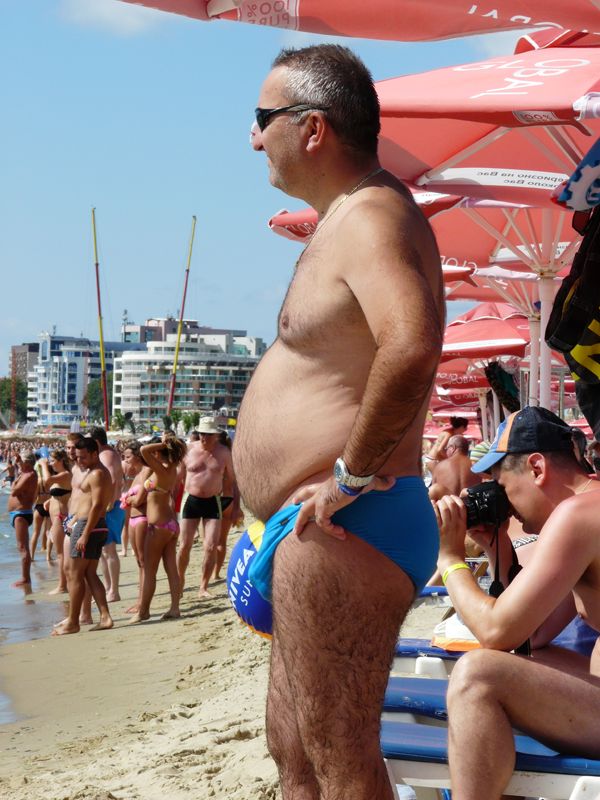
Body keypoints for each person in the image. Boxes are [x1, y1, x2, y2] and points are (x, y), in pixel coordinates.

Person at [236, 44, 443, 799]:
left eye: (262, 118)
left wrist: (350, 476)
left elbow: (411, 344)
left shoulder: (371, 216)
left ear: (313, 127)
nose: (253, 138)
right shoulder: (346, 218)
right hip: (322, 528)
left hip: (351, 523)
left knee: (340, 761)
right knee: (294, 752)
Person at [434, 406, 600, 800]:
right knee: (522, 662)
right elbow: (531, 636)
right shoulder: (587, 510)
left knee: (477, 676)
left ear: (537, 468)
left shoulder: (576, 516)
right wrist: (498, 547)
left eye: (502, 486)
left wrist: (450, 560)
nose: (504, 503)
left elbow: (496, 632)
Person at [52, 437, 114, 635]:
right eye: (77, 457)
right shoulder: (92, 471)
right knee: (89, 574)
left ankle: (73, 622)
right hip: (91, 526)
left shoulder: (97, 474)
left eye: (83, 457)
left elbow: (97, 505)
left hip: (88, 527)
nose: (79, 460)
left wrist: (84, 534)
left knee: (74, 574)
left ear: (95, 454)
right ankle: (105, 617)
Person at [177, 417, 238, 598]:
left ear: (216, 435)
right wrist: (171, 502)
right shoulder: (188, 449)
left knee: (211, 546)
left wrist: (236, 506)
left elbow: (233, 481)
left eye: (209, 434)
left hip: (213, 501)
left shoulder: (224, 453)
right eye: (202, 433)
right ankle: (179, 581)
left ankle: (203, 587)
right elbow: (177, 478)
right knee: (184, 545)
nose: (204, 437)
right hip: (191, 500)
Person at [129, 432, 186, 623]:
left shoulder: (161, 469)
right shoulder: (172, 468)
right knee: (171, 569)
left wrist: (162, 444)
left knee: (149, 570)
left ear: (159, 452)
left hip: (158, 525)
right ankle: (175, 608)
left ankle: (143, 611)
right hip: (171, 524)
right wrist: (165, 445)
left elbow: (144, 450)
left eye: (157, 451)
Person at [88, 426, 125, 602]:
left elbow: (111, 480)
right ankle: (108, 588)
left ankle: (114, 591)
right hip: (109, 505)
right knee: (103, 550)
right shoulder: (106, 453)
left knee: (109, 550)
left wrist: (106, 504)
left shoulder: (107, 455)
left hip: (110, 506)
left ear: (96, 441)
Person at [120, 440, 151, 614]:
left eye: (128, 456)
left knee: (143, 562)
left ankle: (142, 603)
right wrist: (129, 499)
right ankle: (139, 601)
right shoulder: (138, 473)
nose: (125, 459)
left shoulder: (147, 471)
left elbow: (139, 500)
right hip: (133, 518)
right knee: (139, 562)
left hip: (142, 518)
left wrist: (128, 499)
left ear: (138, 455)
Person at [39, 449, 72, 595]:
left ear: (61, 460)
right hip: (56, 516)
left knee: (60, 553)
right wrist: (50, 500)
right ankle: (65, 583)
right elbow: (62, 492)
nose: (50, 463)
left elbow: (47, 481)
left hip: (61, 517)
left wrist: (43, 465)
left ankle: (62, 585)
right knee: (60, 552)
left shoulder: (65, 474)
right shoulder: (60, 476)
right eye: (50, 461)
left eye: (52, 461)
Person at [213, 429, 243, 580]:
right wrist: (237, 507)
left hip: (214, 500)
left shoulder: (214, 458)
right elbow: (236, 486)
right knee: (221, 540)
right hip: (229, 500)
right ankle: (216, 573)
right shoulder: (231, 459)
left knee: (210, 541)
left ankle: (210, 572)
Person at [7, 452, 38, 587]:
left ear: (28, 462)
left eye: (22, 461)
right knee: (22, 546)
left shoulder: (29, 475)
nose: (19, 462)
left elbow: (14, 491)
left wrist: (14, 480)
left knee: (22, 547)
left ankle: (26, 578)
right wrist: (18, 462)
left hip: (22, 513)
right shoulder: (25, 473)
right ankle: (26, 577)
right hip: (18, 513)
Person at [428, 435, 481, 500]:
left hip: (448, 505)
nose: (446, 452)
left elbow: (433, 496)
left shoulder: (440, 466)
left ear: (452, 448)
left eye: (446, 449)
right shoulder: (476, 466)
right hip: (471, 505)